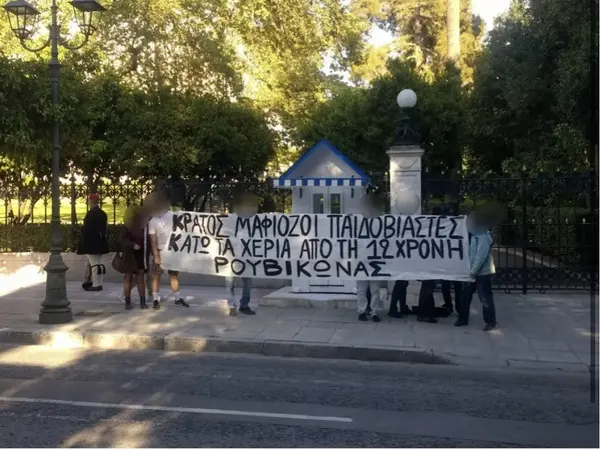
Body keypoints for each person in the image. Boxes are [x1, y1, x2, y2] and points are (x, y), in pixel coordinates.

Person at [454, 210, 497, 331]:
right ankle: (463, 319)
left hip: (482, 273)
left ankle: (490, 322)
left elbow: (481, 256)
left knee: (485, 298)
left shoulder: (483, 236)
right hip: (472, 271)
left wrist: (473, 271)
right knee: (465, 296)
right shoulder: (474, 234)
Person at [147, 191, 190, 310]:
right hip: (161, 251)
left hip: (172, 251)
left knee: (173, 275)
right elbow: (153, 240)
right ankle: (156, 299)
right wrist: (156, 255)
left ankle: (177, 298)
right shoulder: (153, 220)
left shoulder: (174, 216)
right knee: (157, 276)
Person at [225, 192, 258, 316]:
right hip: (230, 256)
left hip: (246, 256)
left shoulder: (253, 219)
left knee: (247, 282)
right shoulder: (229, 220)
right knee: (230, 282)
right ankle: (231, 306)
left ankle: (244, 305)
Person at [356, 191, 386, 323]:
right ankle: (362, 311)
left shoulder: (379, 221)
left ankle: (374, 312)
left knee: (374, 289)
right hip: (361, 261)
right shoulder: (357, 221)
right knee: (362, 289)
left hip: (374, 260)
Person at [77, 193, 109, 291]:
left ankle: (96, 284)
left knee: (94, 264)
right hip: (101, 242)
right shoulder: (103, 214)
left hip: (92, 243)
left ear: (91, 201)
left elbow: (87, 231)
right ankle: (100, 283)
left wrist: (83, 244)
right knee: (100, 264)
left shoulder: (90, 214)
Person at [120, 205, 148, 310]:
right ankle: (142, 302)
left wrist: (131, 245)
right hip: (137, 255)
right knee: (138, 279)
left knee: (129, 278)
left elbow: (122, 240)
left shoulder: (127, 226)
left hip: (130, 255)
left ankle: (128, 302)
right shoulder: (143, 226)